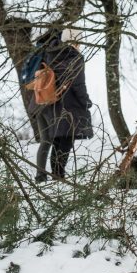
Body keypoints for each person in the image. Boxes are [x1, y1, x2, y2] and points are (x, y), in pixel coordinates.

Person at [33, 28, 94, 181]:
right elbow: (79, 85)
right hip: (67, 105)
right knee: (66, 141)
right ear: (75, 41)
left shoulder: (50, 52)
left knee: (56, 141)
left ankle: (49, 175)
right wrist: (86, 102)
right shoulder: (75, 57)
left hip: (47, 103)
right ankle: (58, 175)